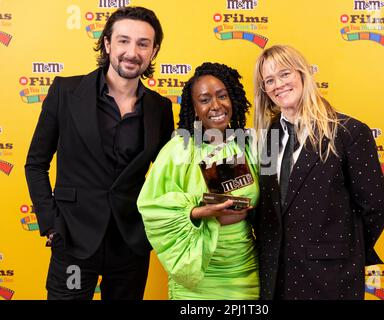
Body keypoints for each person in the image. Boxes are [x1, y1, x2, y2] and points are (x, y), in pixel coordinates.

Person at [24, 6, 174, 300]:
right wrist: (52, 224)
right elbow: (35, 163)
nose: (132, 52)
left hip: (130, 245)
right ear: (107, 44)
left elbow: (170, 174)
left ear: (153, 51)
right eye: (123, 40)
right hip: (73, 241)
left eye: (143, 44)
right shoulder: (65, 92)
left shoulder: (160, 108)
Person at [253, 45, 384, 300]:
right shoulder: (267, 138)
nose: (278, 85)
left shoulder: (349, 132)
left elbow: (377, 205)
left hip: (331, 277)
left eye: (285, 74)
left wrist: (347, 248)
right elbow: (270, 209)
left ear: (303, 74)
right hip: (274, 278)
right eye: (269, 80)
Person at [137, 62, 260, 300]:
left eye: (222, 96)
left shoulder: (248, 146)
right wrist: (196, 211)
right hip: (197, 273)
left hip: (244, 270)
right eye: (204, 99)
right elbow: (151, 207)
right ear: (193, 108)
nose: (216, 105)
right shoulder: (178, 150)